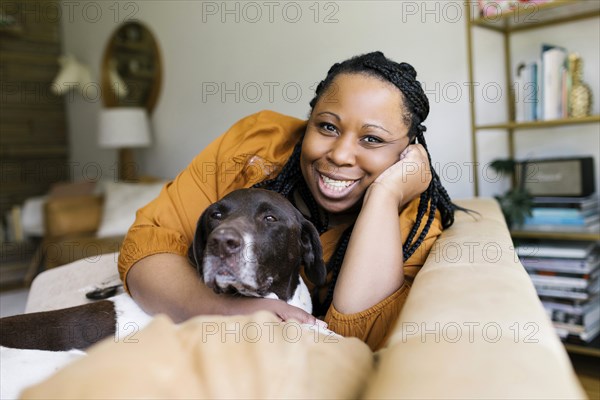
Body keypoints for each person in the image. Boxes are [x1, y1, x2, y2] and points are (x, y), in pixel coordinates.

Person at [119, 51, 456, 351]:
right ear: (308, 123)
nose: (339, 155)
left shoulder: (414, 227)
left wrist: (384, 197)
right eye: (327, 127)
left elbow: (353, 338)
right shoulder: (256, 144)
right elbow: (147, 251)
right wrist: (232, 312)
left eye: (371, 139)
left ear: (408, 151)